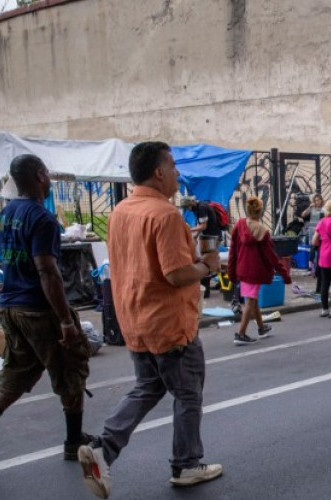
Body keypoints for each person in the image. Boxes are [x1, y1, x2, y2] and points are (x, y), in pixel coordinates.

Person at [77, 142, 223, 498]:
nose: (177, 173)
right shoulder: (165, 215)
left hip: (135, 319)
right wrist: (208, 266)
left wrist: (185, 238)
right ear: (158, 172)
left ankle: (103, 448)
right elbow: (175, 274)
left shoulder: (121, 211)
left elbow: (144, 256)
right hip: (170, 323)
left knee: (149, 386)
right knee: (188, 394)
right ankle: (187, 464)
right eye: (172, 166)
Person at [0, 154, 92, 461]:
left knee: (15, 375)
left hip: (12, 307)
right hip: (39, 310)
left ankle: (74, 438)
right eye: (48, 175)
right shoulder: (42, 219)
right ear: (40, 176)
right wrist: (66, 321)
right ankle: (73, 440)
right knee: (71, 370)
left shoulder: (8, 211)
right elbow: (47, 271)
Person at [228, 196, 292, 345]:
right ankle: (240, 334)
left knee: (253, 299)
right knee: (250, 301)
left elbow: (233, 252)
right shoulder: (263, 231)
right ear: (260, 212)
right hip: (255, 271)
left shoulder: (239, 225)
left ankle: (261, 327)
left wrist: (231, 272)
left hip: (242, 269)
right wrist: (285, 274)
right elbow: (272, 257)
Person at [180, 196, 222, 298]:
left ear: (190, 204)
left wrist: (189, 230)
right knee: (210, 260)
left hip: (211, 237)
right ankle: (220, 283)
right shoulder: (198, 208)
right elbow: (201, 225)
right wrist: (195, 235)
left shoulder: (201, 208)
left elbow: (203, 226)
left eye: (187, 207)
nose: (187, 210)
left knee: (208, 261)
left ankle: (207, 289)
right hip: (208, 236)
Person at [302, 193, 325, 293]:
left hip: (320, 231)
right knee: (312, 250)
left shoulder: (324, 210)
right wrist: (309, 207)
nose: (317, 202)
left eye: (319, 200)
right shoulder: (312, 209)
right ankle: (311, 267)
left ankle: (317, 269)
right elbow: (303, 215)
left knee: (319, 251)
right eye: (316, 200)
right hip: (312, 231)